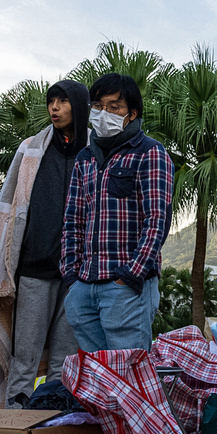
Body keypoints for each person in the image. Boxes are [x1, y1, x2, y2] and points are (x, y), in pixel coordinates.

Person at [0, 80, 91, 408]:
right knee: (23, 358)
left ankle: (50, 427)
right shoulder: (31, 149)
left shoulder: (96, 154)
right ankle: (13, 426)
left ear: (79, 106)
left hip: (77, 275)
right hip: (35, 269)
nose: (54, 107)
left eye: (62, 102)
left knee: (64, 361)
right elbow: (8, 207)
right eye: (51, 101)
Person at [60, 73, 173, 352]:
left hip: (125, 287)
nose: (103, 113)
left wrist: (130, 275)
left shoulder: (150, 153)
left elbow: (157, 221)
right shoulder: (85, 158)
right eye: (98, 106)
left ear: (132, 114)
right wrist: (72, 278)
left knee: (129, 378)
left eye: (114, 107)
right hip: (84, 287)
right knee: (98, 380)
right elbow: (73, 221)